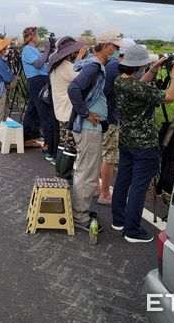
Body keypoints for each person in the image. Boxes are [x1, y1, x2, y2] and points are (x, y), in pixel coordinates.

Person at [111, 45, 174, 243]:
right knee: (138, 187)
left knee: (123, 181)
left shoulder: (120, 81)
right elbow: (171, 97)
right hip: (144, 147)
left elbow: (140, 86)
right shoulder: (138, 88)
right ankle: (132, 231)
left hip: (126, 142)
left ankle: (118, 220)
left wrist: (153, 69)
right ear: (139, 66)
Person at [67, 32, 121, 231]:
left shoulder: (89, 63)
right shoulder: (94, 67)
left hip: (89, 128)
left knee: (85, 170)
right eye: (114, 47)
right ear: (106, 46)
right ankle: (80, 215)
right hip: (89, 128)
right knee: (88, 173)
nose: (116, 51)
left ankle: (80, 209)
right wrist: (86, 113)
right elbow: (73, 88)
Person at [97, 36, 135, 205]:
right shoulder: (119, 68)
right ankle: (105, 194)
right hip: (111, 117)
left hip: (104, 115)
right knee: (110, 157)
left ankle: (97, 187)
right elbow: (132, 91)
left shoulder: (111, 64)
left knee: (101, 153)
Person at [48, 36, 87, 180]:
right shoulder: (67, 67)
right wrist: (82, 57)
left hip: (60, 109)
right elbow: (83, 79)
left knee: (62, 143)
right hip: (68, 110)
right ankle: (64, 176)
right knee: (70, 145)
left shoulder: (55, 65)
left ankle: (58, 174)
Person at [21, 27, 58, 162]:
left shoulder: (32, 49)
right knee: (45, 111)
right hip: (37, 80)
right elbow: (38, 64)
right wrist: (47, 51)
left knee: (31, 110)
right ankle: (48, 143)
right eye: (36, 35)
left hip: (37, 80)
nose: (38, 37)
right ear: (31, 36)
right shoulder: (27, 49)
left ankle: (26, 137)